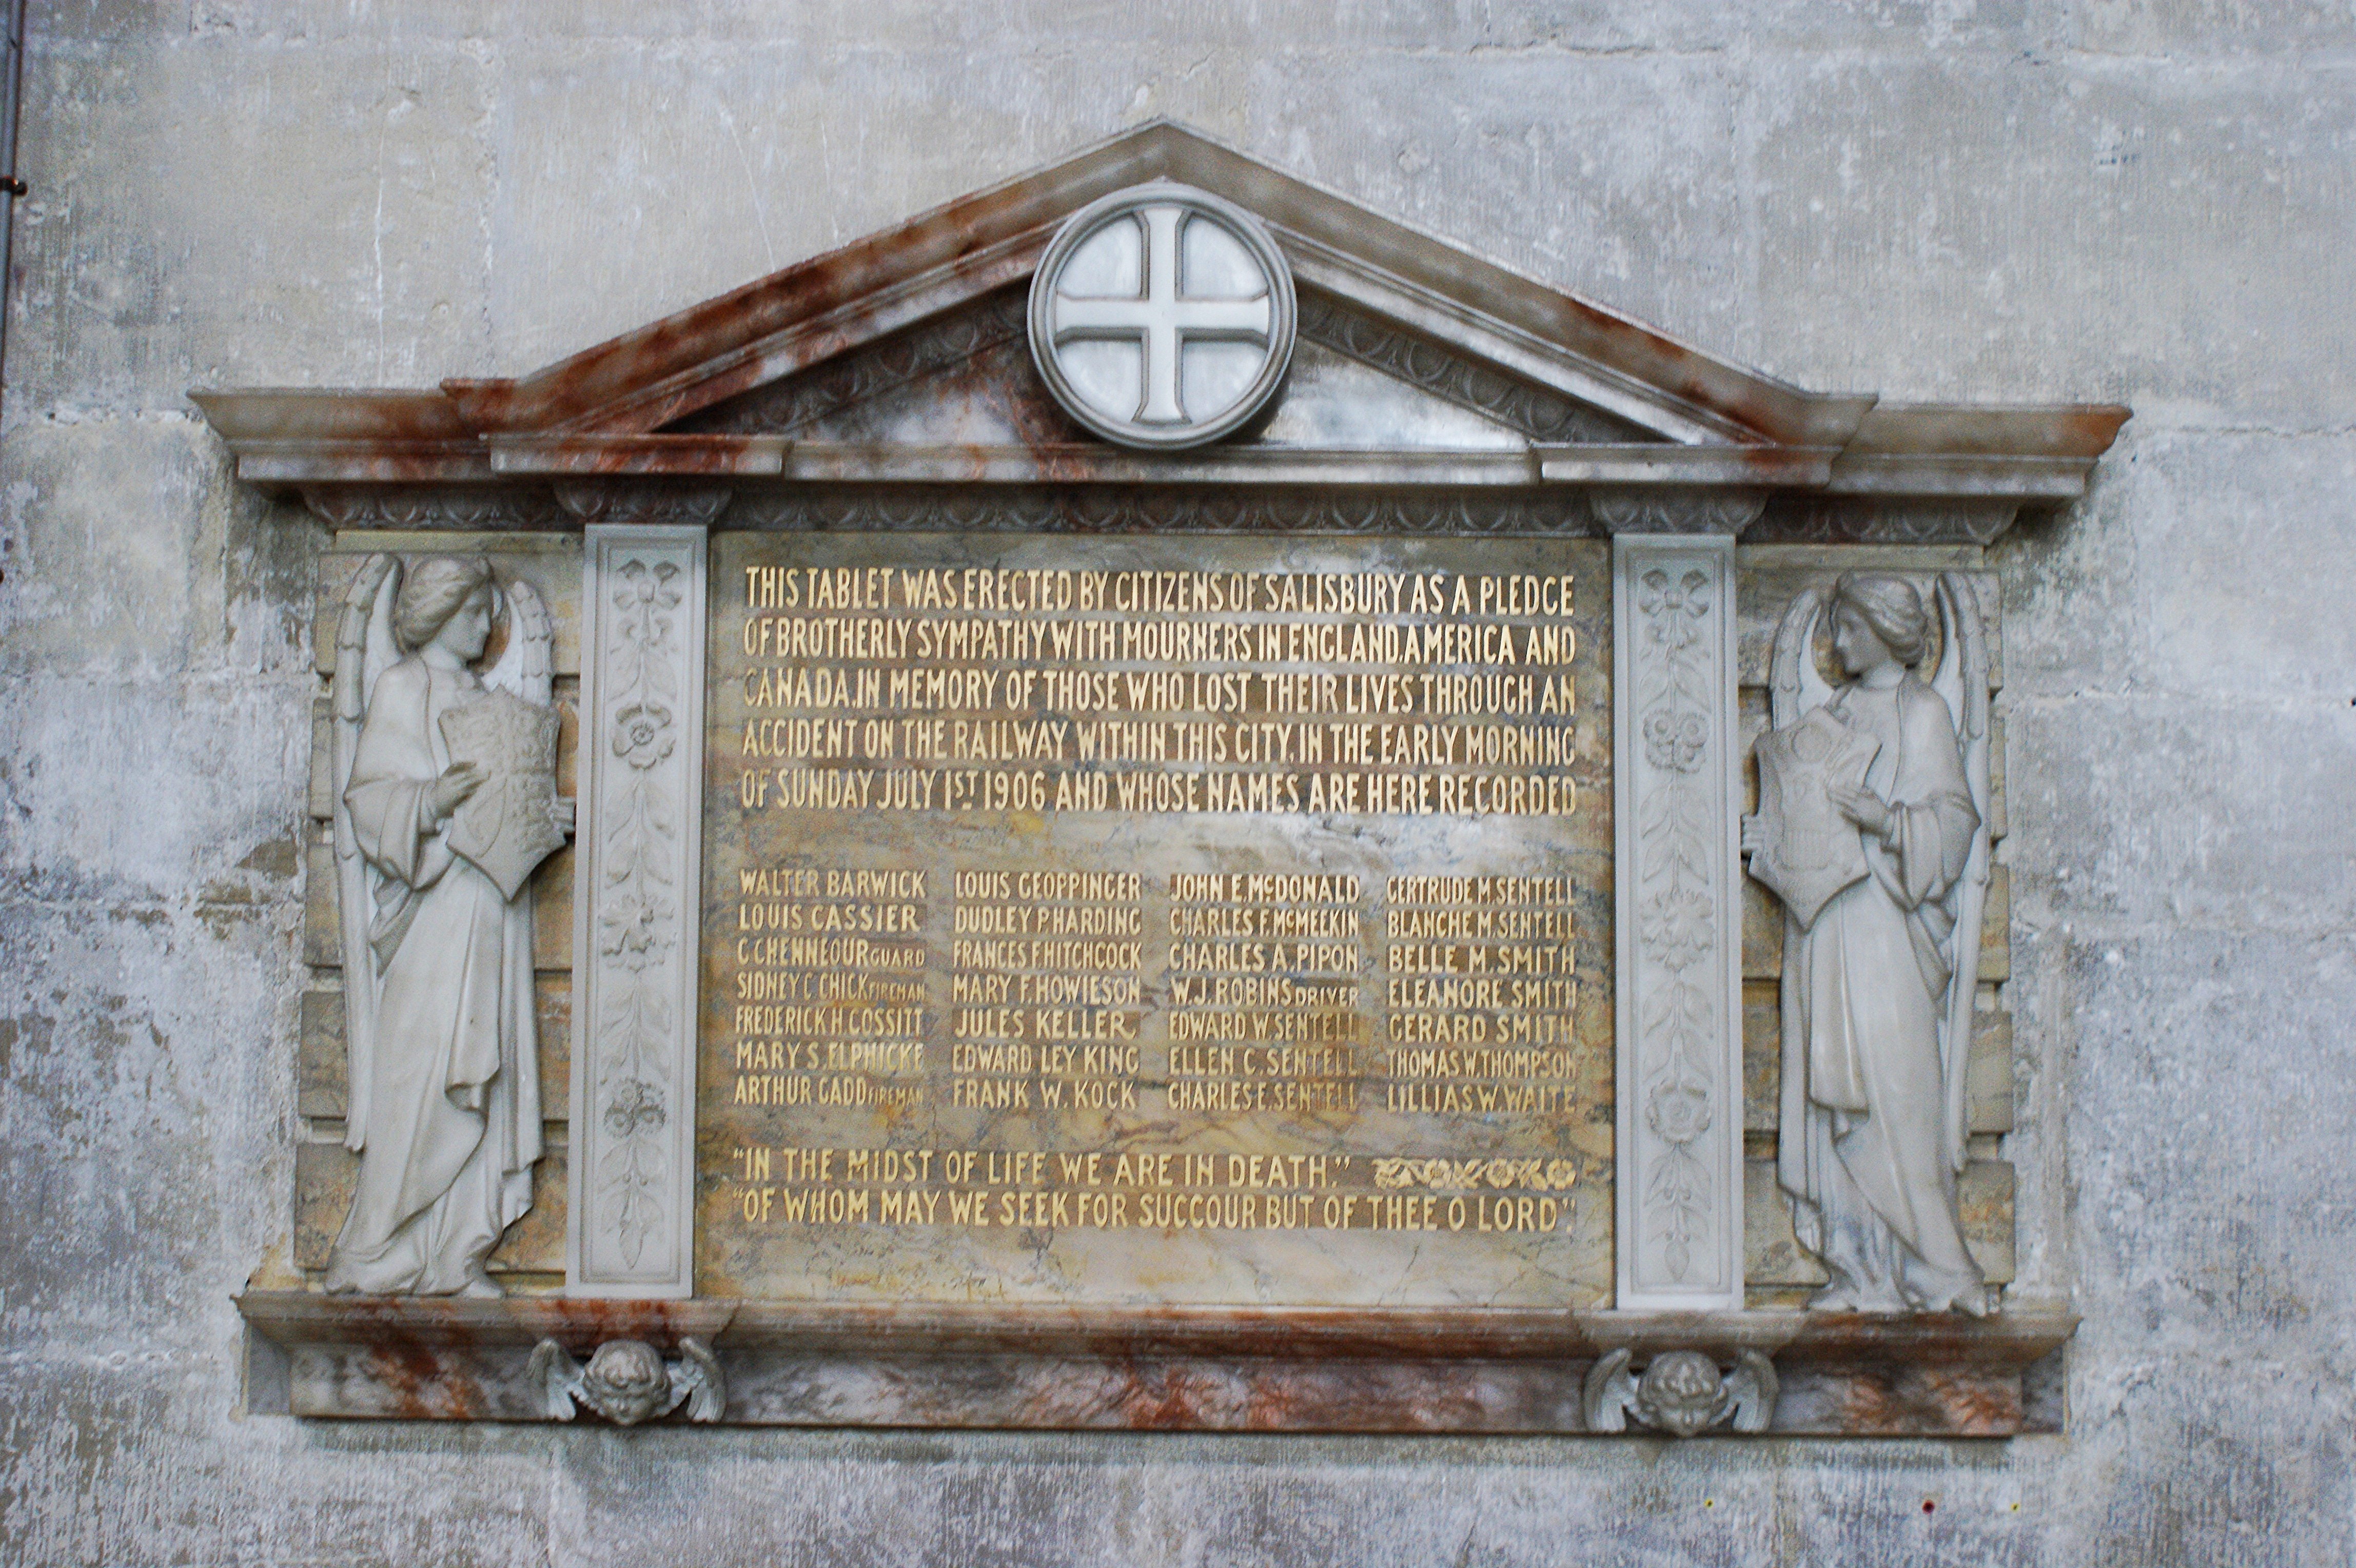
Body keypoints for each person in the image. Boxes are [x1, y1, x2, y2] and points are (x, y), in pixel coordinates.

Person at [1756, 573, 1987, 1315]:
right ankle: (1859, 1270)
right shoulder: (1836, 711)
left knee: (1896, 1093)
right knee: (1836, 1092)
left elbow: (1955, 823)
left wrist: (1887, 820)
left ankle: (1935, 1268)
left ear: (1886, 631)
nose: (1837, 642)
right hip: (1829, 926)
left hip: (1891, 929)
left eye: (1849, 628)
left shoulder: (1923, 714)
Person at [326, 557, 543, 1297]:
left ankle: (456, 1248)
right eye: (475, 611)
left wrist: (544, 819)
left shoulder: (486, 696)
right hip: (429, 910)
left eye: (489, 611)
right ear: (440, 611)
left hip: (487, 905)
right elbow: (369, 799)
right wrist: (432, 800)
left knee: (483, 1062)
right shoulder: (401, 686)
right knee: (419, 1071)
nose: (488, 626)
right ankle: (379, 1244)